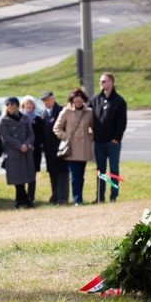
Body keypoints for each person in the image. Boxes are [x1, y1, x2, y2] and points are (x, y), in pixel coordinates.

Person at [89, 72, 127, 203]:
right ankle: (100, 197)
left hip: (112, 143)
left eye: (104, 81)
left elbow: (122, 122)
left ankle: (113, 196)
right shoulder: (95, 99)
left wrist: (116, 138)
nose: (101, 83)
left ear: (111, 82)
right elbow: (87, 114)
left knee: (114, 169)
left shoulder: (119, 101)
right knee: (101, 170)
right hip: (99, 142)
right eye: (100, 81)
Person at [54, 88, 94, 206]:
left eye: (80, 101)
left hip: (84, 147)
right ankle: (77, 200)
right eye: (75, 101)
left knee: (81, 175)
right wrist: (66, 137)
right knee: (75, 174)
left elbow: (92, 127)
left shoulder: (89, 112)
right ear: (71, 101)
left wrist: (90, 137)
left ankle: (79, 197)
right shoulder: (66, 111)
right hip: (71, 149)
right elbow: (57, 128)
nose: (77, 104)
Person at [0, 97, 36, 209]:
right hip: (13, 152)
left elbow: (31, 134)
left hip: (26, 151)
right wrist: (19, 146)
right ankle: (25, 199)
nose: (10, 106)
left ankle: (20, 199)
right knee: (16, 176)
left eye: (12, 104)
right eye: (7, 104)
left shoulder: (24, 118)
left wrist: (27, 144)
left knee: (25, 176)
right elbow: (6, 137)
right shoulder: (4, 120)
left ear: (16, 105)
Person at [40, 91, 69, 205]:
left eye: (48, 100)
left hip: (61, 147)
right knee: (53, 173)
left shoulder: (61, 110)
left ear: (53, 99)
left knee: (62, 173)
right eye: (44, 101)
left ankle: (63, 198)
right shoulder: (43, 114)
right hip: (49, 150)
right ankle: (55, 196)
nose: (46, 103)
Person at [20, 96, 43, 203]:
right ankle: (22, 196)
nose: (29, 106)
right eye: (26, 104)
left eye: (31, 104)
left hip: (34, 151)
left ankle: (31, 197)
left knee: (32, 175)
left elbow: (40, 135)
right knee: (22, 174)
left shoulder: (38, 119)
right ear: (23, 105)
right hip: (21, 150)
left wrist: (32, 144)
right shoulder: (19, 118)